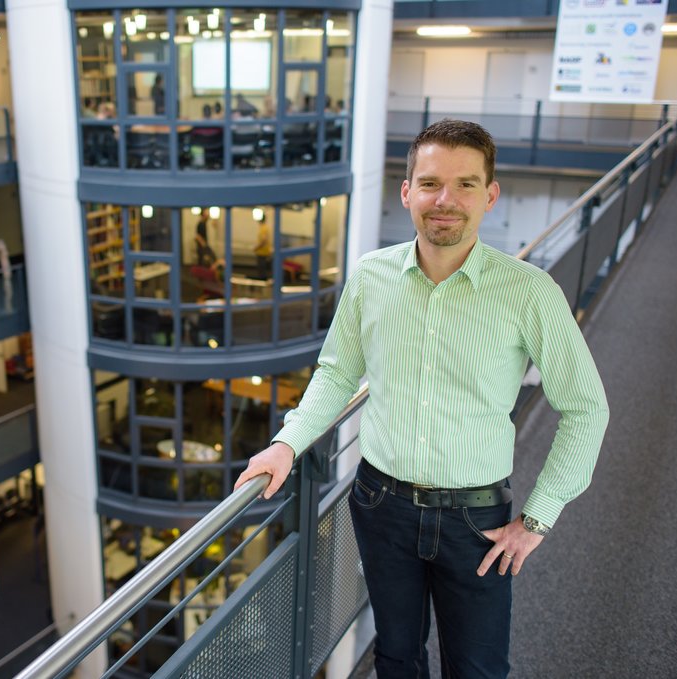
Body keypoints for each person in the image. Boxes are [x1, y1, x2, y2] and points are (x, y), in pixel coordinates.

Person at [234, 119, 609, 678]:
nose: (446, 200)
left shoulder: (529, 292)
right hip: (380, 504)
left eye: (465, 184)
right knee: (395, 657)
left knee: (477, 669)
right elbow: (338, 373)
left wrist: (537, 519)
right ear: (406, 192)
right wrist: (287, 444)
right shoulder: (370, 276)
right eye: (431, 183)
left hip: (477, 520)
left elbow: (585, 407)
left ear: (490, 195)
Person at [254, 213, 272, 279]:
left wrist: (257, 248)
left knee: (262, 268)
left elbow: (264, 241)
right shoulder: (264, 228)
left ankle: (262, 279)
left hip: (262, 252)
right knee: (262, 268)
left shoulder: (263, 228)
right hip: (263, 251)